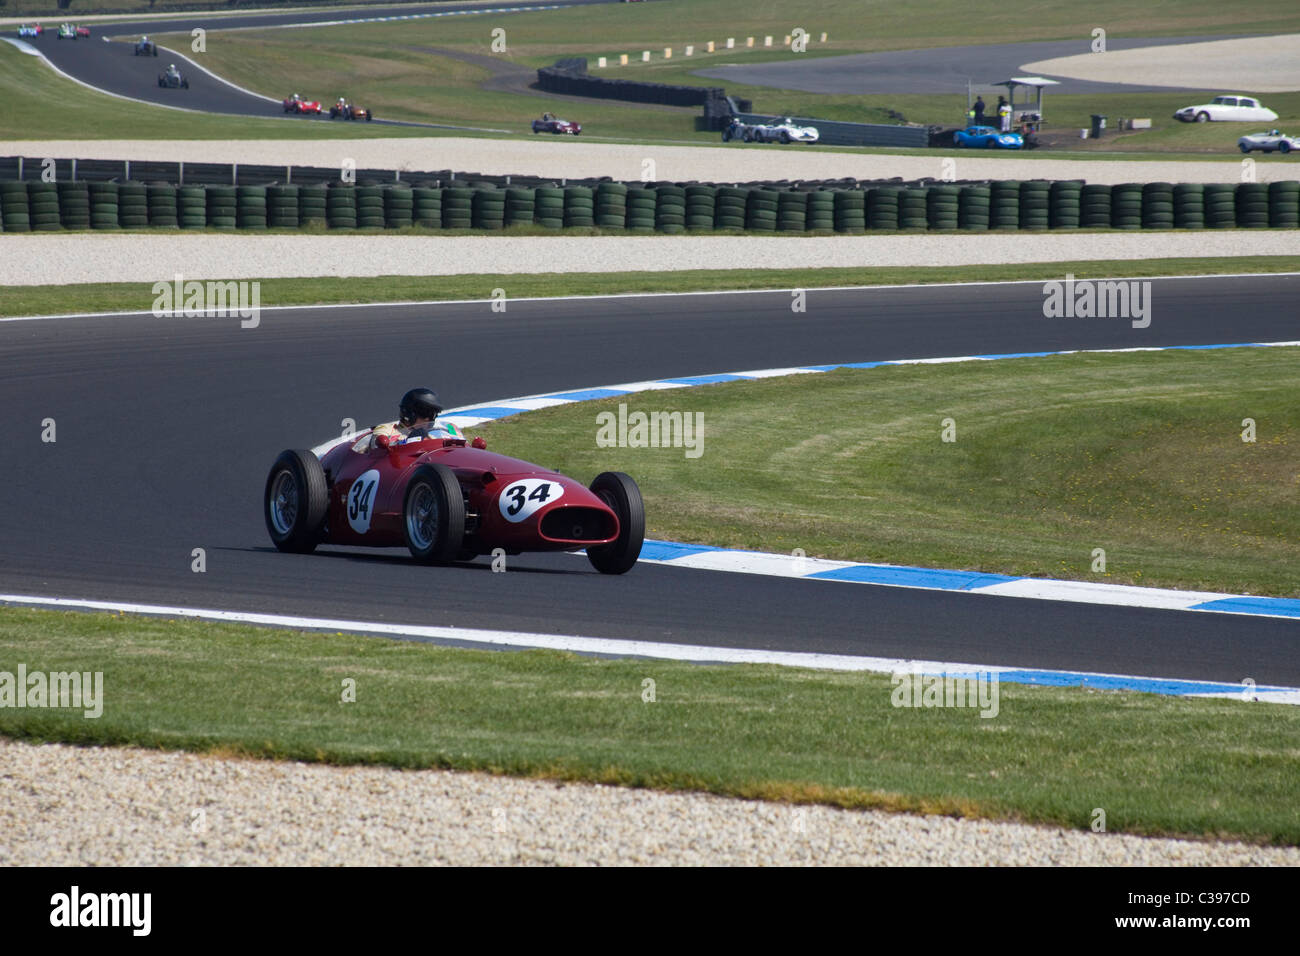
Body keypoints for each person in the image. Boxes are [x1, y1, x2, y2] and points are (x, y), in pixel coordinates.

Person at [371, 388, 463, 447]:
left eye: (433, 414)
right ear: (409, 413)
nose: (428, 419)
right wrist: (412, 439)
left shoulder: (436, 433)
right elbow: (376, 448)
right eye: (425, 413)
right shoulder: (386, 429)